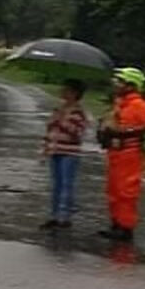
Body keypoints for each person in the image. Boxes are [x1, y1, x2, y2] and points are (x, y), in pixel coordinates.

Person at [98, 67, 145, 242]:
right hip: (116, 152)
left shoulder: (139, 104)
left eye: (120, 82)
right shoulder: (120, 103)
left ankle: (126, 228)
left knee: (126, 191)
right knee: (113, 189)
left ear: (130, 85)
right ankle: (116, 224)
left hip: (129, 153)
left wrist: (126, 132)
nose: (116, 84)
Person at [42, 79, 89, 230]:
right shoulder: (58, 109)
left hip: (69, 152)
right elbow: (50, 130)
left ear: (74, 94)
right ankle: (54, 215)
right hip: (55, 149)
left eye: (66, 90)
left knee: (66, 184)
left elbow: (78, 133)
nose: (63, 92)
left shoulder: (78, 112)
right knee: (56, 184)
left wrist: (63, 121)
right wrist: (46, 147)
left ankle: (65, 216)